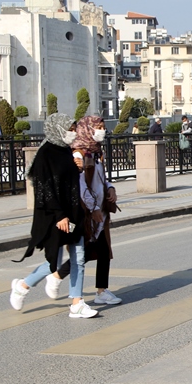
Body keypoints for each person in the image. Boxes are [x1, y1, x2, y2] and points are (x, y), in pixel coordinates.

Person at [10, 113, 98, 318]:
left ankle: (77, 303)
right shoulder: (45, 154)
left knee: (79, 257)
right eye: (70, 128)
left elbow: (67, 182)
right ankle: (22, 286)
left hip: (73, 215)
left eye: (74, 128)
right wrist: (60, 216)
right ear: (57, 129)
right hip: (55, 217)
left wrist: (77, 169)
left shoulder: (66, 151)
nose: (73, 132)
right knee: (54, 263)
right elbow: (45, 189)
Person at [47, 116, 122, 305]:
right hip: (86, 212)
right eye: (98, 127)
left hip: (100, 209)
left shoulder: (96, 152)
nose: (102, 131)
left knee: (103, 251)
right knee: (85, 251)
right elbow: (79, 186)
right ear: (87, 129)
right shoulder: (79, 154)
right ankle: (56, 276)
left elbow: (101, 179)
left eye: (103, 127)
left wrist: (110, 188)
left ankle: (101, 291)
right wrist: (94, 208)